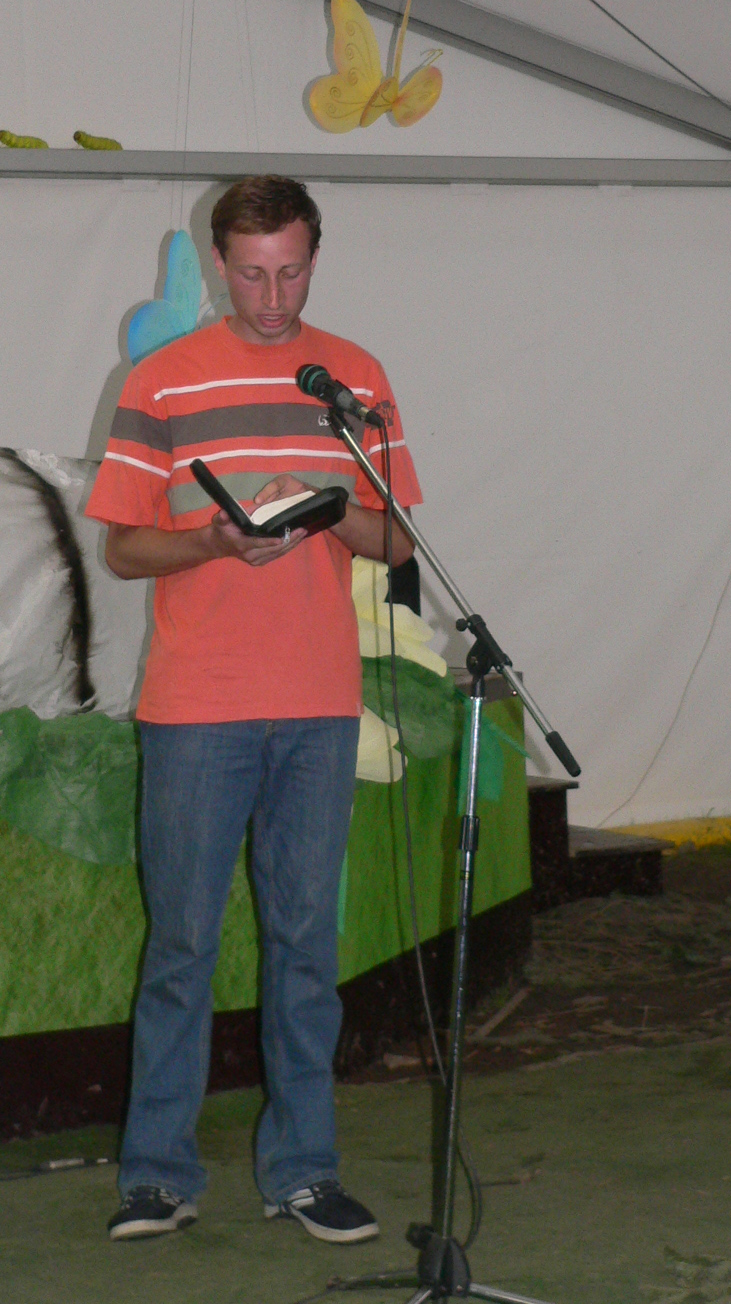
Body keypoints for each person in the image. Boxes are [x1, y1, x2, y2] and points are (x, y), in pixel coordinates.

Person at [86, 176, 420, 1245]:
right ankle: (156, 1176)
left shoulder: (355, 377)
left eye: (291, 272)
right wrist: (216, 541)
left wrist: (330, 516)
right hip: (196, 707)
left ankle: (305, 1172)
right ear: (220, 263)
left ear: (315, 257)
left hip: (319, 703)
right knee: (182, 946)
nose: (273, 298)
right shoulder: (162, 380)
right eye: (251, 274)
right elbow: (123, 547)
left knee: (305, 948)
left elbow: (397, 540)